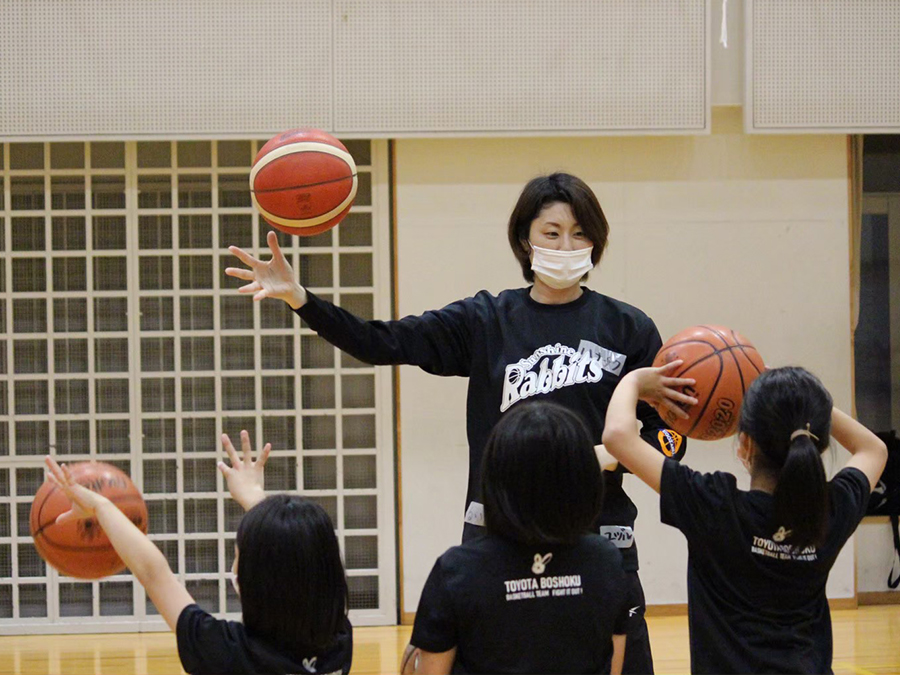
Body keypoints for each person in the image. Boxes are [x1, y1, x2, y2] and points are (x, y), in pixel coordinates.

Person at [227, 172, 687, 673]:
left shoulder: (629, 328)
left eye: (580, 233)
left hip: (599, 536)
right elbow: (381, 341)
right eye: (551, 232)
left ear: (596, 243)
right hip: (497, 535)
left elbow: (669, 437)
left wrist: (617, 458)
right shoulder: (485, 320)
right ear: (523, 239)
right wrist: (302, 300)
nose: (566, 244)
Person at [601, 363, 888, 674]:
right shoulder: (830, 510)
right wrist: (804, 399)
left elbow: (618, 436)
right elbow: (873, 449)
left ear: (745, 445)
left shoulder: (713, 504)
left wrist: (634, 380)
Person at [44, 431, 352, 675]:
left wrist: (101, 506)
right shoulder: (339, 643)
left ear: (253, 580)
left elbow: (154, 573)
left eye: (238, 554)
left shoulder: (226, 654)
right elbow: (299, 558)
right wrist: (255, 498)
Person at [402, 400, 634, 674]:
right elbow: (613, 666)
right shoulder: (607, 561)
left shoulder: (457, 570)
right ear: (585, 481)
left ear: (494, 478)